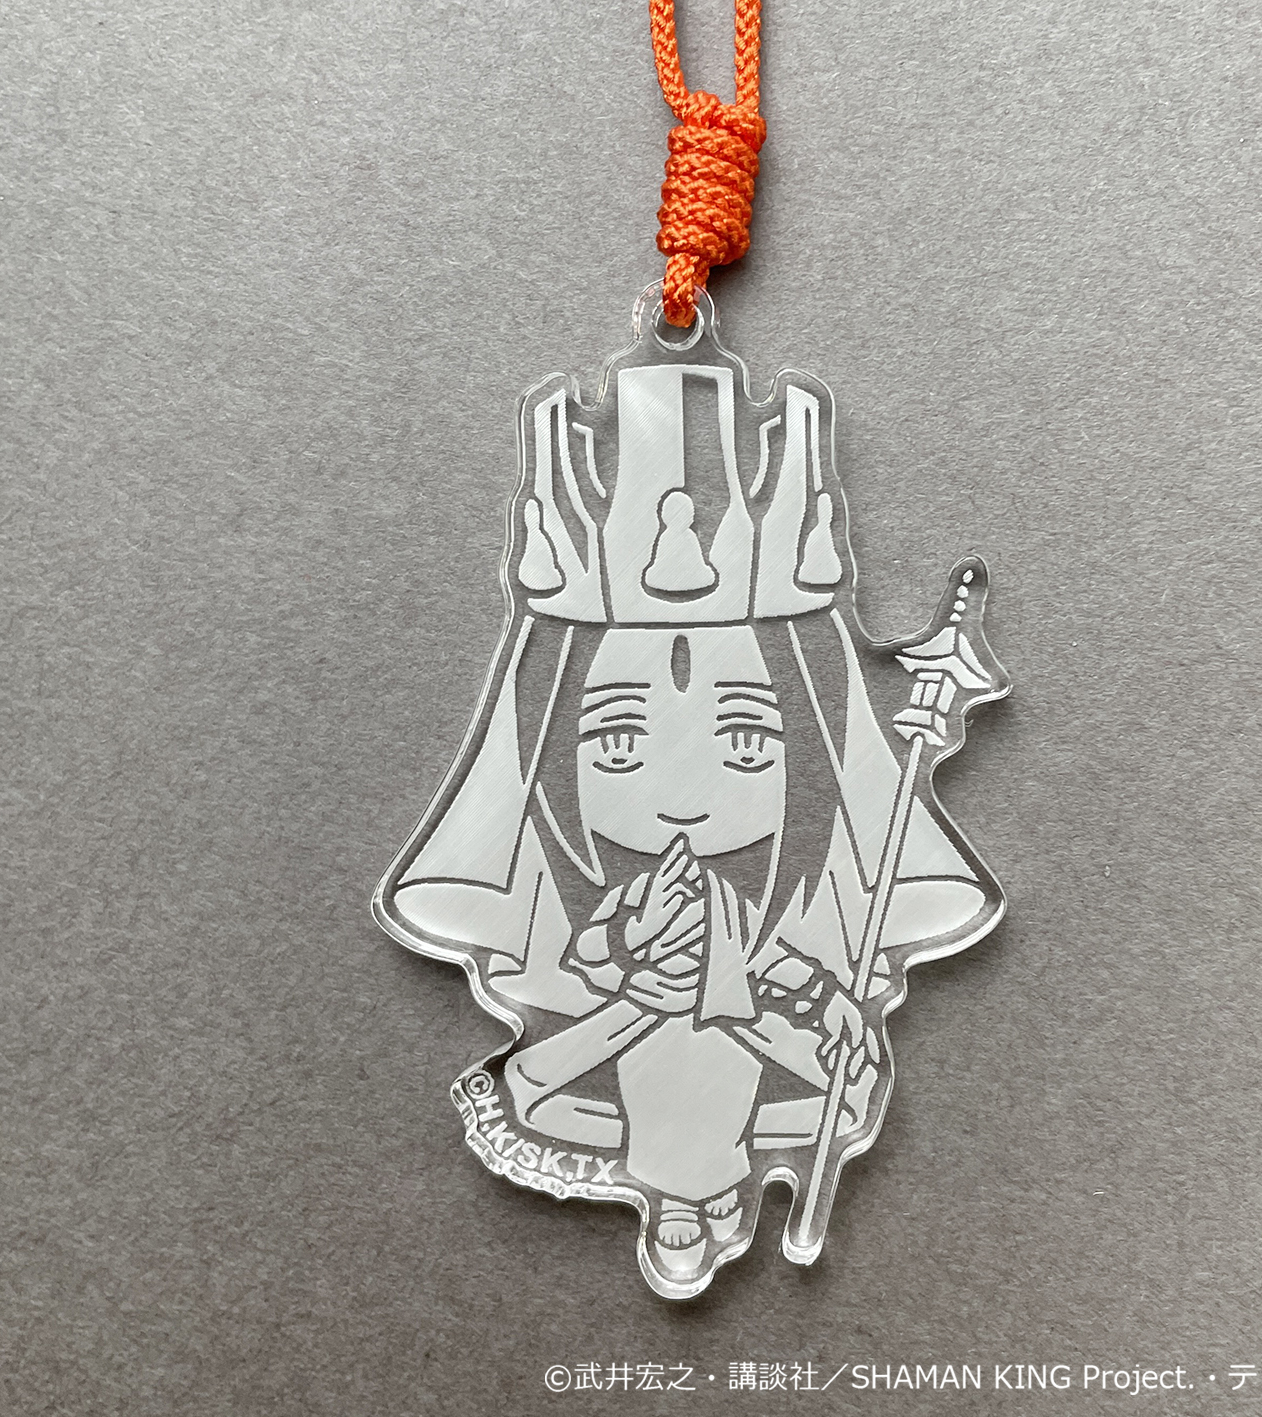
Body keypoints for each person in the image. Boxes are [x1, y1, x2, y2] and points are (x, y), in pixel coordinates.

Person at [374, 337, 1006, 1292]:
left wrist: (784, 1003)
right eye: (614, 744)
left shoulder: (717, 937)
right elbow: (610, 1005)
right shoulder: (642, 937)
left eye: (749, 740)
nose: (679, 797)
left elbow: (770, 999)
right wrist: (702, 1000)